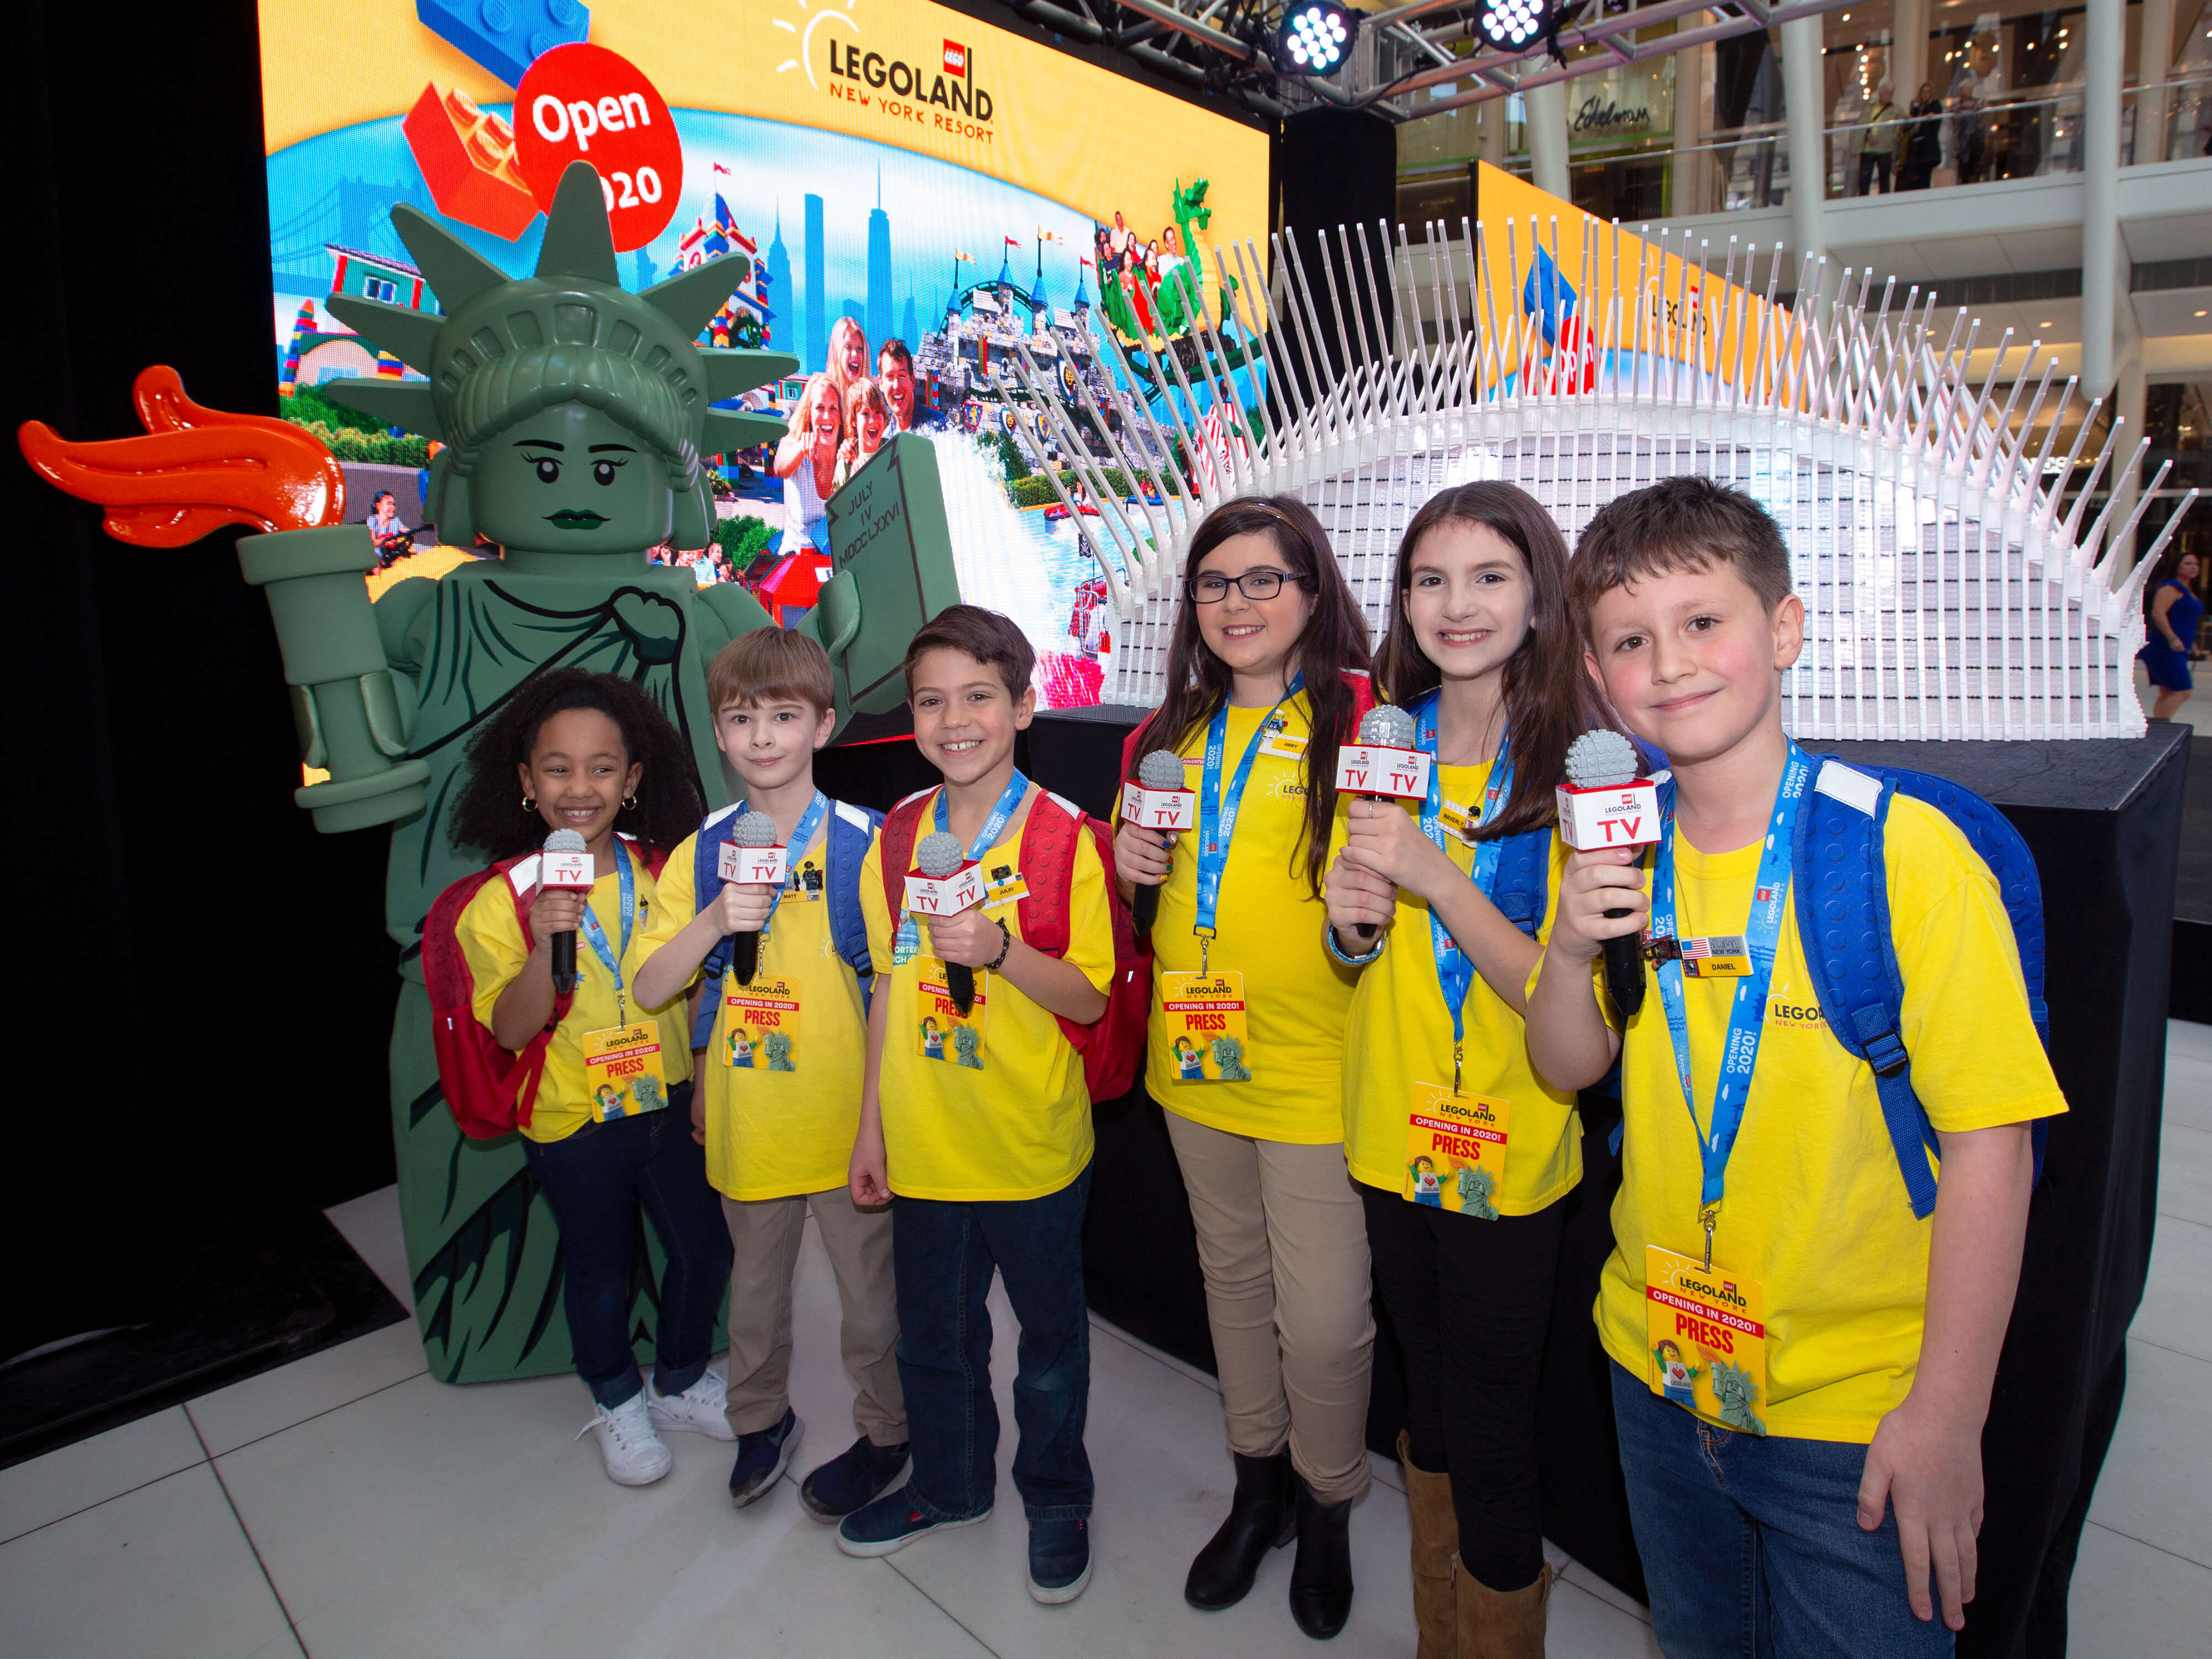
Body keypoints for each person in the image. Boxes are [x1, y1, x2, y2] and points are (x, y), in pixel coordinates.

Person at [1525, 476, 2067, 1656]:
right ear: (1598, 674)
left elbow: (1991, 1146)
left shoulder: (1902, 856)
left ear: (1783, 630)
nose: (1669, 663)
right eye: (1629, 640)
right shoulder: (1616, 844)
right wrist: (1567, 945)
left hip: (1858, 1416)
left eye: (1701, 621)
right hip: (1657, 1372)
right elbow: (1566, 1066)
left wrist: (1946, 1413)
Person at [1322, 483, 1607, 1657]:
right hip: (1390, 1123)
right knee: (1426, 1400)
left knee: (1490, 1421)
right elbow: (1359, 946)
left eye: (1489, 577)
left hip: (1512, 1139)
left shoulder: (1584, 768)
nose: (1456, 604)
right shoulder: (1382, 744)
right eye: (1429, 580)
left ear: (1539, 595)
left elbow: (1567, 998)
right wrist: (1350, 919)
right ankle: (1439, 1628)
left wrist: (1437, 877)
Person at [1111, 496, 1376, 1639]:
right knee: (1231, 1280)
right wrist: (1129, 866)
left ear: (1312, 592)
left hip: (1319, 1065)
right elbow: (1145, 890)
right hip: (1195, 1058)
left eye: (1264, 579)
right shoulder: (1164, 736)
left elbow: (1387, 897)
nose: (1237, 603)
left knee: (1323, 1322)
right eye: (1215, 584)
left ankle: (1327, 1503)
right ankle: (1257, 1482)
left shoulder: (1364, 722)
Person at [839, 607, 1115, 1607]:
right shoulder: (896, 835)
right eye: (931, 701)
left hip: (1029, 1144)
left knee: (1049, 1345)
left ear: (1025, 706)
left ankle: (1057, 1494)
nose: (954, 720)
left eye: (979, 697)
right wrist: (871, 1127)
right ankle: (950, 1487)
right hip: (924, 1144)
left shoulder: (1067, 840)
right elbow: (885, 983)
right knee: (935, 1338)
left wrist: (1000, 950)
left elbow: (1089, 998)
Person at [633, 629, 910, 1519]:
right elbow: (654, 987)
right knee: (753, 1299)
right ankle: (759, 1420)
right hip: (749, 1120)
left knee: (871, 1305)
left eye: (784, 716)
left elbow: (894, 990)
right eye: (741, 717)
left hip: (848, 1122)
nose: (761, 737)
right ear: (717, 731)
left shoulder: (866, 843)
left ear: (823, 726)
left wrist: (878, 1125)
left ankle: (888, 1430)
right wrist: (718, 919)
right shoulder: (700, 853)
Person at [446, 669, 733, 1486]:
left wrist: (705, 1086)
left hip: (668, 1104)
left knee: (704, 1250)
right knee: (601, 1270)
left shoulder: (666, 872)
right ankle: (615, 1397)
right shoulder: (498, 902)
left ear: (633, 780)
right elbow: (510, 1030)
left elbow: (700, 988)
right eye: (558, 769)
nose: (581, 788)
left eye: (602, 768)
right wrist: (546, 944)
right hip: (572, 1122)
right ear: (526, 781)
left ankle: (679, 1379)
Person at [773, 372, 843, 554]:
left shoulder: (845, 455)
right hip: (797, 559)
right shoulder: (794, 443)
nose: (827, 416)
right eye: (820, 408)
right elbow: (780, 469)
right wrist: (800, 449)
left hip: (834, 561)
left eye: (833, 409)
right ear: (809, 413)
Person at [2139, 549, 2205, 721]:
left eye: (2196, 564)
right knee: (2183, 691)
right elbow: (2158, 613)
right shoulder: (2171, 587)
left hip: (2179, 648)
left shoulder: (2189, 591)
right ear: (2177, 567)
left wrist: (2193, 644)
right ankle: (2161, 728)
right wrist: (2172, 638)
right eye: (2188, 564)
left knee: (2168, 692)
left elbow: (2186, 620)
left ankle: (2158, 728)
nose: (2193, 567)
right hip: (2164, 647)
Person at [834, 376, 892, 491]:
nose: (873, 421)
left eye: (878, 412)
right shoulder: (846, 462)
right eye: (865, 414)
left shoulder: (893, 451)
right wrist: (853, 484)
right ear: (854, 421)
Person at [1858, 81, 1899, 195]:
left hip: (1885, 149)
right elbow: (1862, 124)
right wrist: (1868, 135)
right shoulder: (1870, 108)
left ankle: (1885, 202)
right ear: (1881, 93)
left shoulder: (1896, 109)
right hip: (1868, 149)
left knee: (1884, 179)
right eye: (1887, 93)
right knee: (1864, 179)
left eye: (1891, 94)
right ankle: (1863, 201)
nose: (1889, 96)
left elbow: (1905, 121)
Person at [1901, 84, 1944, 190]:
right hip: (1915, 148)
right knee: (1912, 179)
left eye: (1928, 92)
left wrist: (1932, 117)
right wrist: (1908, 120)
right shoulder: (1916, 107)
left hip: (1927, 148)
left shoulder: (1935, 105)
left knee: (1925, 178)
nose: (1926, 94)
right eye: (1924, 92)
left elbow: (1936, 124)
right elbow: (1908, 126)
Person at [877, 340, 919, 433]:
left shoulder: (939, 429)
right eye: (890, 377)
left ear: (912, 381)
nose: (897, 386)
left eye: (902, 376)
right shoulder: (885, 437)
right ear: (881, 384)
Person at [1952, 80, 1987, 185]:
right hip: (1963, 140)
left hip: (1975, 138)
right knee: (1964, 165)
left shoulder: (1978, 102)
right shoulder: (1957, 104)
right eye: (1968, 88)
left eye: (1971, 88)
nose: (1970, 91)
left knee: (1976, 162)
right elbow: (1952, 111)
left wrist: (1975, 107)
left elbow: (1986, 106)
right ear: (1961, 90)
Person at [366, 489, 412, 566]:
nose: (393, 507)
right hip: (378, 557)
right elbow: (372, 543)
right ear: (379, 506)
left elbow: (407, 531)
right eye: (389, 504)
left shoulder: (395, 521)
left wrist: (408, 534)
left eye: (393, 505)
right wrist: (386, 540)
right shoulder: (373, 520)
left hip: (393, 555)